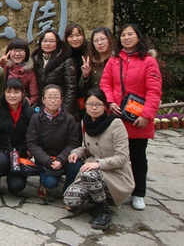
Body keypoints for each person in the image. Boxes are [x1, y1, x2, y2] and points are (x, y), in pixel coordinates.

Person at [100, 23, 162, 211]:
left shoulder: (148, 61)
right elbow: (105, 83)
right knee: (114, 155)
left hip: (137, 118)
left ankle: (139, 192)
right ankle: (115, 189)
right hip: (116, 115)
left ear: (138, 37)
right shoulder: (114, 60)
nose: (126, 38)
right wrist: (110, 101)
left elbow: (154, 91)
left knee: (137, 156)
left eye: (130, 34)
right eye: (123, 35)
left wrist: (147, 115)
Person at [64, 88, 135, 230]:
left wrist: (98, 164)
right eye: (90, 104)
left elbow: (122, 157)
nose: (94, 108)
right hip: (94, 172)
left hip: (115, 173)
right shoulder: (85, 123)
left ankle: (103, 210)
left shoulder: (116, 124)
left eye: (98, 104)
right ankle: (95, 198)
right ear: (85, 106)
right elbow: (87, 148)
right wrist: (76, 152)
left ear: (105, 106)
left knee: (89, 174)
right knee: (71, 200)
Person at [26, 84, 81, 200]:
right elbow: (32, 143)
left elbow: (73, 143)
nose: (53, 100)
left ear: (61, 100)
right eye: (50, 97)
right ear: (43, 100)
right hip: (45, 159)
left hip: (63, 158)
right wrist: (48, 160)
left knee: (76, 164)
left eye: (56, 97)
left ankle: (68, 192)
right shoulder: (36, 118)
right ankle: (45, 182)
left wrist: (61, 159)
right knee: (50, 183)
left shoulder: (69, 119)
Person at [0, 78, 34, 200]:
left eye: (16, 92)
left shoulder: (29, 111)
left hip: (19, 152)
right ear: (4, 92)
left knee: (16, 186)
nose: (12, 95)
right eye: (9, 92)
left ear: (22, 94)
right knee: (0, 161)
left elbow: (32, 134)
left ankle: (12, 175)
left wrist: (29, 149)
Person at [31, 30, 77, 116]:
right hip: (42, 105)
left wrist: (65, 110)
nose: (48, 44)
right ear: (40, 43)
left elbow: (71, 88)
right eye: (45, 41)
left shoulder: (66, 60)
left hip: (60, 106)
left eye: (51, 41)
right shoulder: (35, 60)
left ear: (57, 43)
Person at [0, 38, 39, 106]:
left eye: (21, 51)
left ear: (26, 53)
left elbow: (34, 95)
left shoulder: (29, 71)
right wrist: (2, 63)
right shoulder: (5, 66)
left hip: (22, 105)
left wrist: (27, 104)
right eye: (14, 51)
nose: (17, 54)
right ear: (9, 52)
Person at [80, 27, 114, 94]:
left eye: (103, 39)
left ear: (109, 39)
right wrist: (85, 75)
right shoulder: (89, 60)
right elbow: (81, 89)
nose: (99, 43)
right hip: (92, 98)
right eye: (95, 41)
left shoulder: (117, 59)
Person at [65, 23, 88, 118]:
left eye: (78, 35)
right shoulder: (63, 54)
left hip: (87, 95)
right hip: (70, 98)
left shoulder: (90, 52)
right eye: (71, 36)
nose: (75, 39)